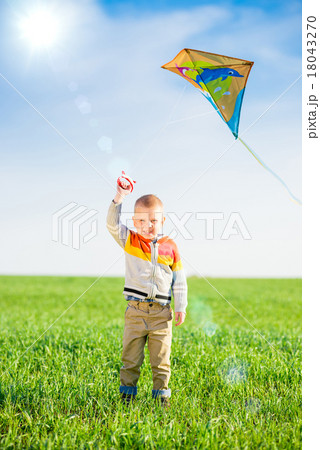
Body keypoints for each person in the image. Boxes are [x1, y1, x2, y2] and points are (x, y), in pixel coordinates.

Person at [106, 180, 188, 408]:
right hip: (135, 312)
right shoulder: (130, 240)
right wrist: (118, 198)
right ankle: (127, 397)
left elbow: (179, 279)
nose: (148, 225)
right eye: (141, 220)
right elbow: (112, 225)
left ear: (162, 221)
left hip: (162, 314)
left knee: (161, 360)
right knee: (130, 359)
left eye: (153, 220)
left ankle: (162, 399)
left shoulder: (170, 246)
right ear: (134, 222)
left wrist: (180, 305)